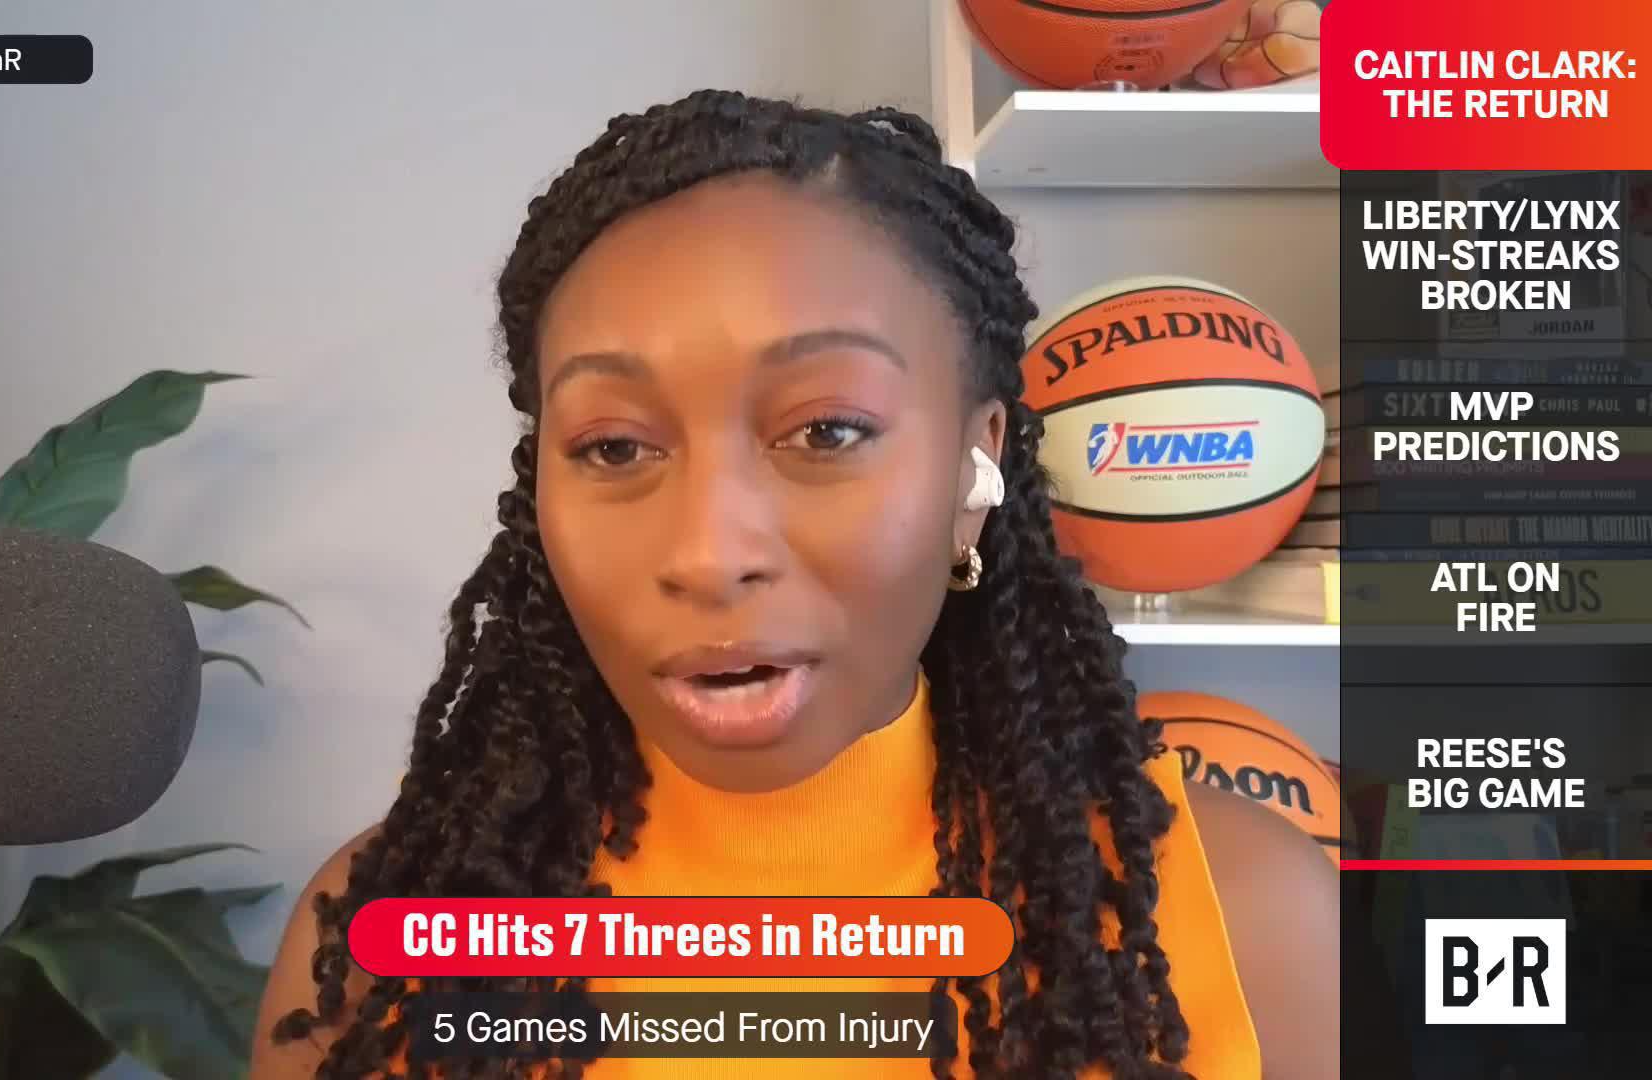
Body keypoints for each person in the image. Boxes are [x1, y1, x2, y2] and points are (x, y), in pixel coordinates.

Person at [250, 89, 1339, 1079]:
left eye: (826, 431)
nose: (707, 553)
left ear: (976, 471)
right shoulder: (379, 951)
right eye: (615, 447)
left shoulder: (1248, 918)